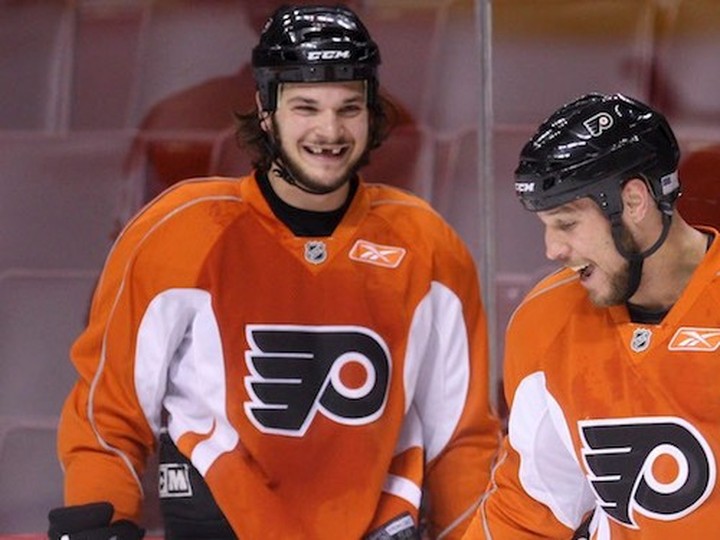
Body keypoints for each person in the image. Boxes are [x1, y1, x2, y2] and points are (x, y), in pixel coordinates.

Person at [49, 5, 500, 540]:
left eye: (349, 108)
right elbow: (109, 416)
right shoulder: (178, 233)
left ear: (371, 113)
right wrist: (102, 511)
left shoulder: (427, 246)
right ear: (266, 110)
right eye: (306, 107)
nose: (330, 131)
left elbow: (462, 442)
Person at [462, 93, 720, 539]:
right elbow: (529, 511)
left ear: (634, 201)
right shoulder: (545, 319)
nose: (552, 250)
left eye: (566, 223)